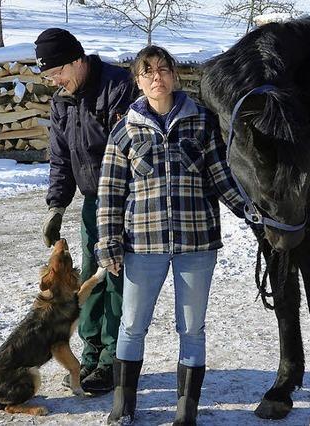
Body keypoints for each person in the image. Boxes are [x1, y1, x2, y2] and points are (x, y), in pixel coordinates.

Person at [95, 45, 245, 425]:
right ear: (138, 81)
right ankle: (124, 404)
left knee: (192, 326)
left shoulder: (202, 123)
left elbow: (221, 178)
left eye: (163, 69)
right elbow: (110, 193)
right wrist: (108, 242)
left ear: (174, 75)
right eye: (147, 72)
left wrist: (252, 214)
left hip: (197, 242)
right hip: (142, 245)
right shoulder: (123, 130)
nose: (156, 77)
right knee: (131, 324)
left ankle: (185, 409)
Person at [35, 28, 137, 393]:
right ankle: (91, 355)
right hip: (94, 202)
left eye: (56, 73)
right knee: (89, 279)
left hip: (127, 200)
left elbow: (126, 150)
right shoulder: (63, 100)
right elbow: (60, 159)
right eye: (48, 77)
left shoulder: (119, 86)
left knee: (116, 279)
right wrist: (56, 206)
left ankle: (113, 359)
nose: (54, 82)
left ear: (77, 60)